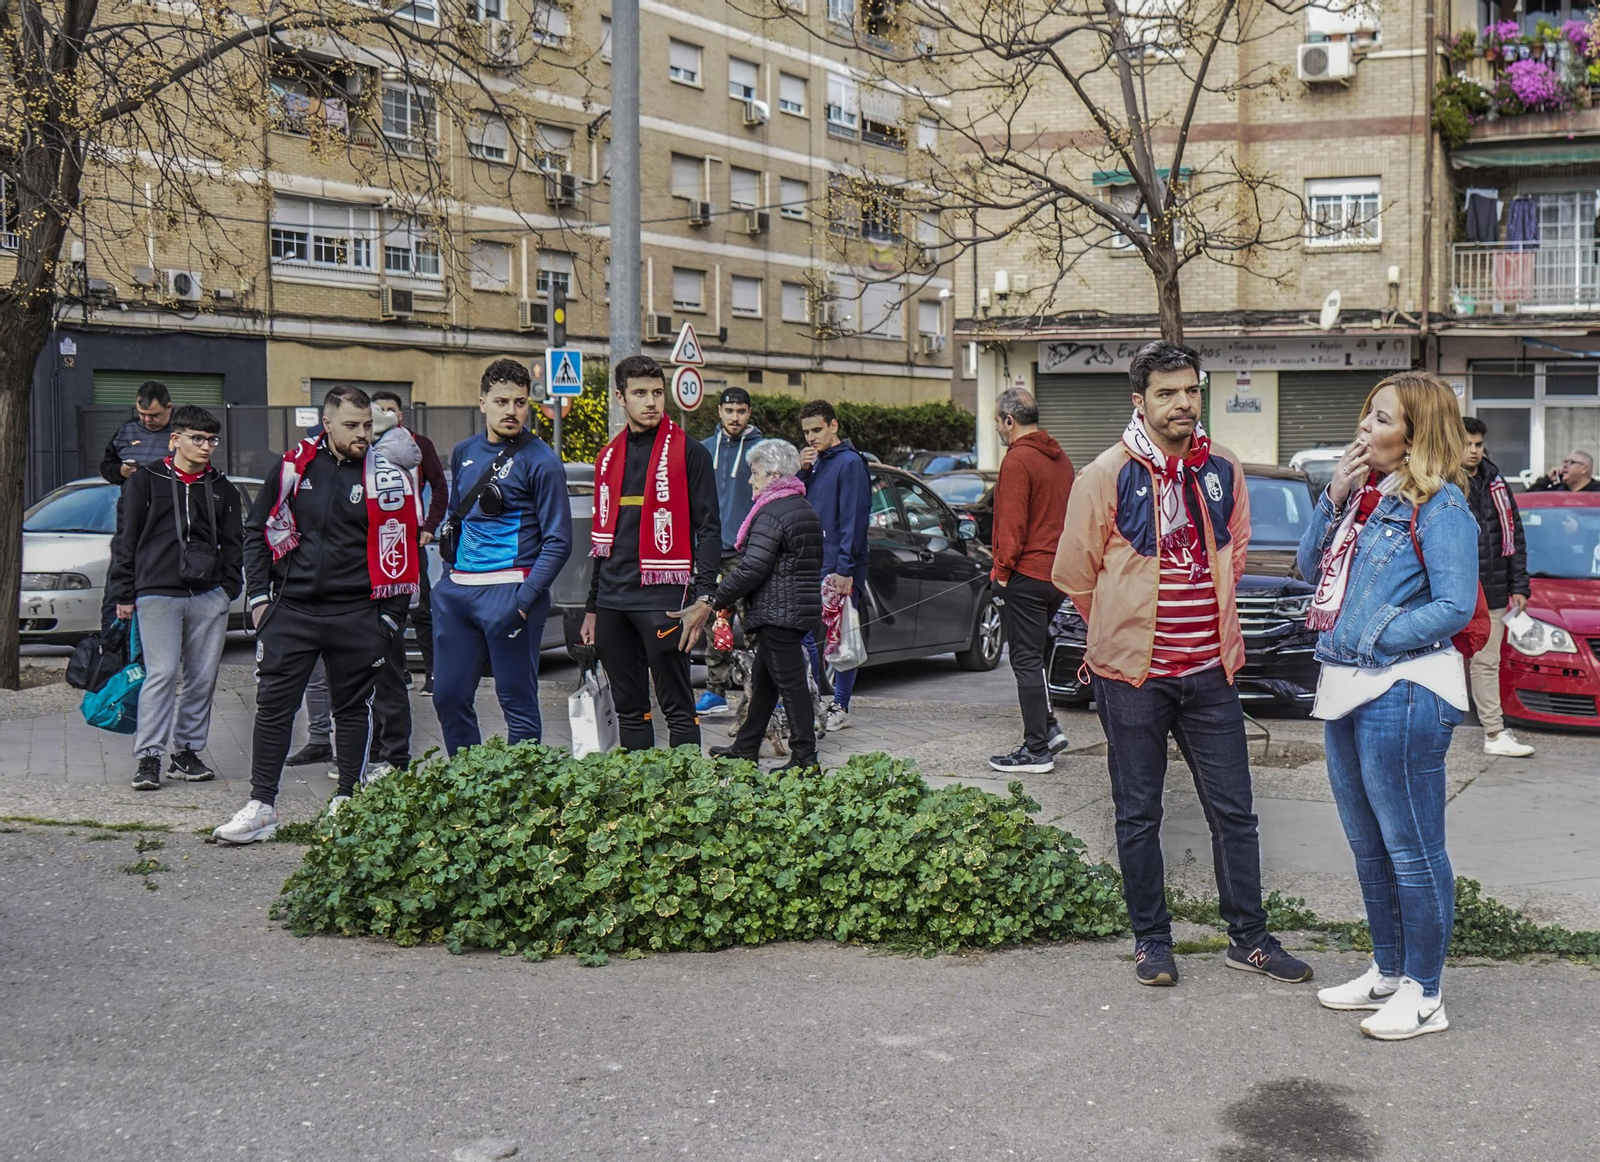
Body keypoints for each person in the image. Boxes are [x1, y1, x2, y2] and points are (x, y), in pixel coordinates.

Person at [1055, 340, 1312, 990]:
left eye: (1191, 391)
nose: (1183, 404)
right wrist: (1119, 634)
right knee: (1139, 813)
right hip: (1132, 680)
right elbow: (1075, 574)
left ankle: (1249, 940)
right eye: (1167, 393)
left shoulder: (1221, 467)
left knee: (1235, 813)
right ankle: (1152, 942)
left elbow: (1239, 545)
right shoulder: (1106, 474)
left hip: (1210, 675)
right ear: (1139, 401)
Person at [1297, 371, 1477, 1041]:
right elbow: (1307, 568)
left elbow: (1454, 606)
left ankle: (1426, 995)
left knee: (1413, 849)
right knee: (1369, 847)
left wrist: (1373, 637)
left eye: (1379, 419)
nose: (1363, 429)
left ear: (1414, 434)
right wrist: (1332, 498)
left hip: (1404, 689)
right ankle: (1389, 970)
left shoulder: (1442, 507)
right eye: (1367, 416)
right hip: (1346, 684)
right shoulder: (1362, 500)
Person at [213, 385, 420, 844]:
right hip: (293, 612)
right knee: (273, 709)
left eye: (368, 425)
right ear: (327, 424)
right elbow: (257, 530)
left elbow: (406, 551)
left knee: (351, 711)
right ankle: (261, 806)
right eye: (351, 426)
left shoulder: (386, 477)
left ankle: (345, 799)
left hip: (358, 614)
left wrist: (388, 621)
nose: (362, 434)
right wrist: (260, 600)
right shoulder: (293, 467)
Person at [431, 359, 573, 755]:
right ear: (482, 403)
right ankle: (469, 783)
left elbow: (558, 540)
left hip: (511, 592)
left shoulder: (541, 460)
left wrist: (524, 599)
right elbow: (455, 519)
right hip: (458, 592)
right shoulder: (464, 452)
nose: (512, 410)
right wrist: (448, 576)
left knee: (517, 703)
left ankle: (519, 801)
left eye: (520, 402)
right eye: (502, 401)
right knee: (448, 696)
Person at [580, 355, 720, 751]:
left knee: (678, 708)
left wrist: (705, 598)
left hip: (664, 599)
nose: (651, 402)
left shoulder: (691, 452)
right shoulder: (607, 457)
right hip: (612, 602)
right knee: (630, 711)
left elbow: (709, 530)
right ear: (621, 397)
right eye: (640, 393)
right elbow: (602, 538)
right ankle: (642, 801)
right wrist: (593, 606)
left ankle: (688, 800)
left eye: (657, 393)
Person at [106, 405, 243, 790]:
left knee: (202, 678)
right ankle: (149, 756)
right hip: (157, 593)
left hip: (208, 595)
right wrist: (125, 593)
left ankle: (186, 752)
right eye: (197, 439)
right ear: (175, 439)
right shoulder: (146, 481)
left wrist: (227, 589)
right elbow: (126, 538)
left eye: (211, 440)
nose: (205, 447)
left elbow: (235, 543)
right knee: (162, 674)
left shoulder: (222, 487)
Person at [675, 439, 823, 771]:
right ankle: (746, 745)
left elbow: (752, 568)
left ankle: (805, 758)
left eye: (754, 472)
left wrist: (714, 599)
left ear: (773, 474)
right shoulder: (802, 507)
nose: (749, 480)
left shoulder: (773, 512)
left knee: (791, 684)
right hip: (794, 609)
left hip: (778, 613)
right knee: (766, 680)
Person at [987, 387, 1074, 773]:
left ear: (1010, 420)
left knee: (1024, 660)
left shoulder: (1017, 460)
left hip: (1025, 574)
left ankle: (1036, 749)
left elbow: (1011, 525)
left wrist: (1001, 574)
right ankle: (1050, 729)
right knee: (1036, 657)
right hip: (1056, 575)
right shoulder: (1060, 459)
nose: (997, 429)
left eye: (998, 422)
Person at [1461, 417, 1535, 759]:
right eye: (1467, 444)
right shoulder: (1439, 482)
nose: (1473, 451)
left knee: (1486, 664)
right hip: (1450, 592)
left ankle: (1493, 732)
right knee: (1437, 661)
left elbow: (1515, 535)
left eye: (1478, 445)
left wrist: (1519, 584)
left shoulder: (1496, 483)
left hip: (1491, 592)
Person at [797, 400, 871, 733]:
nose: (812, 437)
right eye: (806, 432)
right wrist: (802, 470)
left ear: (834, 425)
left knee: (842, 636)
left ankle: (840, 706)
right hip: (811, 560)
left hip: (839, 565)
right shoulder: (816, 464)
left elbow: (853, 520)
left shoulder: (850, 464)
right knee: (807, 636)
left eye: (817, 430)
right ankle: (811, 702)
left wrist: (845, 568)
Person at [372, 390, 451, 697]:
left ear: (400, 416)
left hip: (411, 537)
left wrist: (430, 526)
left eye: (390, 410)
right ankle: (398, 673)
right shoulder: (366, 446)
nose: (386, 416)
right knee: (386, 610)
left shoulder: (419, 445)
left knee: (422, 607)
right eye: (379, 411)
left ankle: (432, 674)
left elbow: (440, 487)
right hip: (380, 540)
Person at [696, 387, 763, 718]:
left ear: (749, 413)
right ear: (719, 412)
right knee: (713, 626)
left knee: (752, 625)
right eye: (729, 411)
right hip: (710, 551)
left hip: (746, 552)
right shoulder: (706, 450)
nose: (734, 417)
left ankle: (763, 692)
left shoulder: (761, 451)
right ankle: (716, 691)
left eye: (741, 411)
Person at [363, 400, 422, 776]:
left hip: (383, 585)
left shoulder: (380, 465)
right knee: (383, 673)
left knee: (385, 674)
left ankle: (392, 755)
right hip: (390, 581)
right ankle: (380, 750)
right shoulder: (395, 459)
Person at [98, 380, 174, 484]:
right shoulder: (126, 430)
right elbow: (106, 466)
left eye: (154, 415)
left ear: (168, 407)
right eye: (142, 414)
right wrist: (120, 471)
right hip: (132, 498)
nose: (147, 420)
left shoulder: (184, 431)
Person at [1527, 449, 1599, 492]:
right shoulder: (1559, 490)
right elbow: (1524, 502)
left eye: (1571, 462)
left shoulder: (1597, 491)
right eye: (1565, 462)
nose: (1565, 466)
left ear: (1584, 469)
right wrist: (1547, 479)